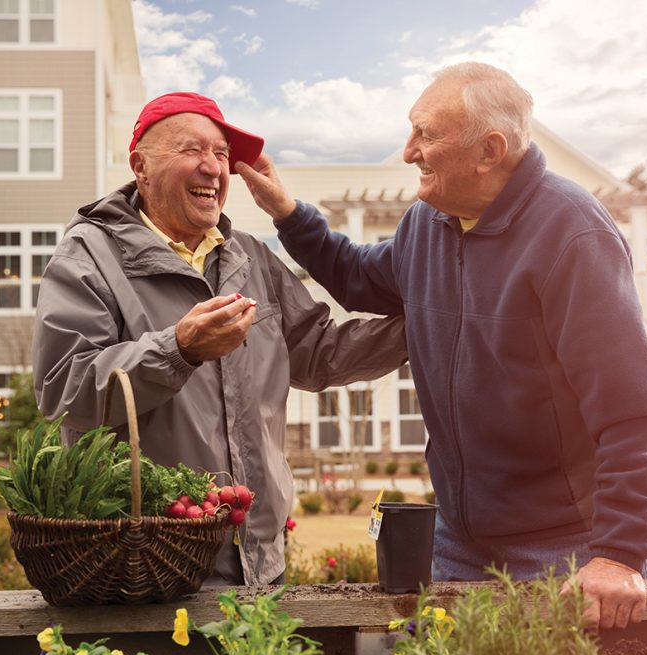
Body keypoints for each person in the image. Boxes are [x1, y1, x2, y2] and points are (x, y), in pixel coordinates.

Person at [237, 62, 647, 629]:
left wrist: (617, 553)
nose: (408, 151)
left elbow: (631, 414)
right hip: (460, 540)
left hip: (564, 546)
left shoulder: (572, 234)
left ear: (489, 150)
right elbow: (356, 276)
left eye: (426, 134)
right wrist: (288, 214)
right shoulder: (428, 224)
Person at [31, 92, 407, 586]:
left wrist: (427, 322)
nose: (213, 167)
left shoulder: (248, 257)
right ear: (140, 166)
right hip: (146, 569)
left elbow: (320, 353)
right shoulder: (89, 256)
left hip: (260, 564)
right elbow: (64, 390)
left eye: (223, 154)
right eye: (192, 149)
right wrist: (177, 350)